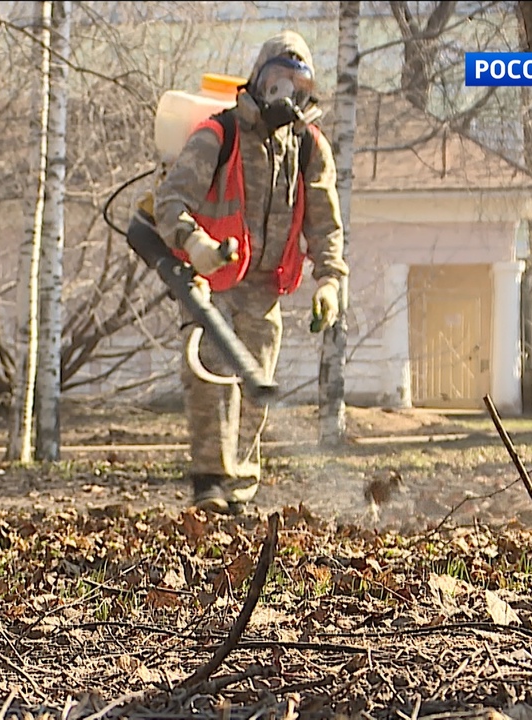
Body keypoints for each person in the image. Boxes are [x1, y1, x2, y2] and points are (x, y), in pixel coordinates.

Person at [129, 31, 349, 515]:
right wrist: (197, 246)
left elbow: (325, 223)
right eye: (277, 81)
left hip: (264, 289)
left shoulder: (310, 149)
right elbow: (170, 201)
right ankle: (209, 486)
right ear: (257, 79)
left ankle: (239, 496)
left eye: (298, 86)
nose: (285, 96)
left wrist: (330, 281)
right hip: (210, 282)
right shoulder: (218, 134)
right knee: (209, 380)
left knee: (256, 390)